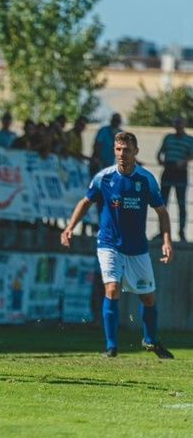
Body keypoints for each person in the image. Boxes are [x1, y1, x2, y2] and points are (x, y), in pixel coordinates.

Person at [60, 132, 174, 359]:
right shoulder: (104, 177)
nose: (122, 154)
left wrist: (167, 241)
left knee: (148, 297)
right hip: (109, 244)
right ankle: (111, 347)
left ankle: (150, 340)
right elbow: (86, 202)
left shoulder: (146, 179)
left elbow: (162, 212)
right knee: (112, 289)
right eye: (118, 149)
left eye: (127, 150)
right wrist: (69, 227)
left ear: (136, 152)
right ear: (114, 151)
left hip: (137, 248)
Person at [156, 117, 193, 242]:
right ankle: (162, 231)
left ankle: (181, 232)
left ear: (184, 125)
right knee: (162, 203)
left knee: (181, 203)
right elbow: (160, 152)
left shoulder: (189, 140)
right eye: (176, 124)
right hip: (168, 170)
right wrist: (160, 160)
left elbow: (191, 155)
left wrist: (183, 162)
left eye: (180, 124)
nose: (178, 126)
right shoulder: (168, 138)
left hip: (180, 172)